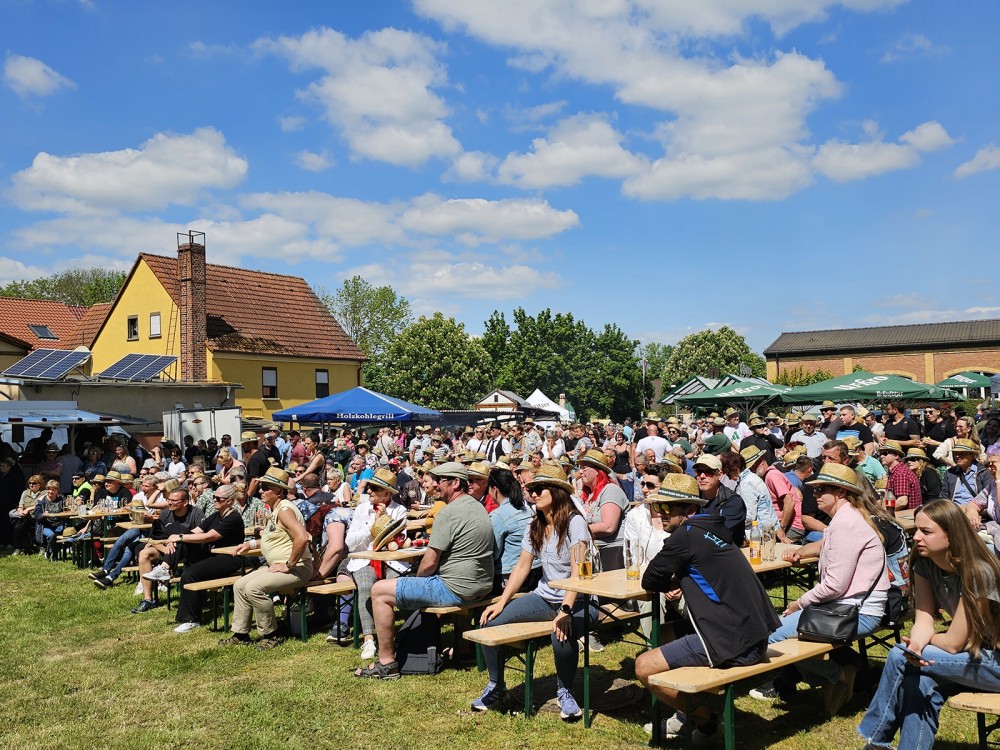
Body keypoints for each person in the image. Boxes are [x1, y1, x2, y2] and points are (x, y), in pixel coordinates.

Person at [635, 473, 781, 742]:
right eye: (658, 507)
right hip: (754, 634)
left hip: (733, 641)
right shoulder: (713, 529)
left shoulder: (685, 537)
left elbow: (650, 578)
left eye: (668, 507)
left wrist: (674, 578)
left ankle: (706, 722)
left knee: (643, 666)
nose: (661, 514)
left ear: (690, 509)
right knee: (665, 634)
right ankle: (683, 710)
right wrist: (681, 577)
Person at [858, 499, 1000, 750]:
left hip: (994, 662)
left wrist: (919, 645)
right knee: (919, 682)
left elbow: (953, 644)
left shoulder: (980, 571)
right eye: (916, 530)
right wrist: (917, 644)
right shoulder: (925, 565)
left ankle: (876, 740)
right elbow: (924, 620)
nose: (917, 537)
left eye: (926, 531)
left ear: (951, 535)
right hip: (973, 656)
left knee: (899, 656)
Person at [749, 464, 889, 715]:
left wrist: (799, 603)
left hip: (855, 613)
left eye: (823, 489)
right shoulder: (847, 519)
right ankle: (840, 673)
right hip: (849, 608)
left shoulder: (846, 524)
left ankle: (836, 674)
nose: (816, 494)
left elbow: (835, 585)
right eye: (815, 489)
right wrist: (802, 552)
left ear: (842, 493)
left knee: (771, 635)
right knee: (779, 626)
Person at [472, 465, 596, 720]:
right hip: (545, 597)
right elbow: (522, 566)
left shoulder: (575, 523)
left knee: (560, 632)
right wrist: (502, 602)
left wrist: (565, 610)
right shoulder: (536, 524)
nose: (533, 494)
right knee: (490, 622)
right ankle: (496, 687)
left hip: (581, 599)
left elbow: (578, 573)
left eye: (539, 489)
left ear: (557, 491)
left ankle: (565, 691)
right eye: (531, 489)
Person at [358, 462, 494, 680]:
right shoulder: (477, 506)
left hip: (455, 588)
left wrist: (417, 582)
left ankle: (386, 662)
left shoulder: (448, 513)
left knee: (378, 590)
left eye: (439, 481)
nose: (430, 485)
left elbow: (429, 562)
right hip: (481, 585)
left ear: (455, 483)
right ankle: (464, 648)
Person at [220, 468, 314, 649]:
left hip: (298, 568)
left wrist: (289, 564)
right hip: (278, 566)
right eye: (261, 487)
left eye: (266, 488)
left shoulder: (285, 510)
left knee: (254, 588)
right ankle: (241, 633)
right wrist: (251, 545)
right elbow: (273, 537)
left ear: (279, 490)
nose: (260, 491)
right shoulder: (277, 509)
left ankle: (272, 633)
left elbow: (302, 537)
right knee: (239, 585)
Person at [340, 468, 410, 662]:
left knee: (397, 588)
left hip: (392, 561)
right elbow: (350, 541)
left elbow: (398, 539)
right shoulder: (362, 510)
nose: (368, 491)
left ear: (386, 493)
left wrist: (384, 522)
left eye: (373, 489)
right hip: (363, 560)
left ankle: (400, 635)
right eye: (369, 487)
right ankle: (369, 637)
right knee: (365, 586)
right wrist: (371, 528)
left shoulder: (399, 510)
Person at [171, 484, 248, 633]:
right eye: (214, 497)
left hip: (231, 558)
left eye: (218, 498)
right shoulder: (216, 515)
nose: (214, 500)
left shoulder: (233, 517)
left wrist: (180, 537)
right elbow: (195, 532)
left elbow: (208, 536)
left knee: (190, 574)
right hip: (214, 555)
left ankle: (192, 620)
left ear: (230, 501)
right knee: (184, 545)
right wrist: (175, 538)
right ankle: (165, 567)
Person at [487, 466, 538, 594]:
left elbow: (493, 553)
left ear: (495, 489)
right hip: (536, 571)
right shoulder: (526, 509)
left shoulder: (498, 516)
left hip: (511, 576)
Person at [576, 449, 628, 571]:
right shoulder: (587, 494)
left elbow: (608, 526)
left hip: (612, 550)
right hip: (592, 549)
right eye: (580, 468)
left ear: (598, 472)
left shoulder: (610, 490)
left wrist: (578, 531)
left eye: (584, 468)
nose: (580, 472)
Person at [692, 453, 747, 545]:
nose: (702, 476)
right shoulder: (692, 498)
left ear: (720, 475)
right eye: (699, 471)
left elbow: (719, 535)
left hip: (725, 555)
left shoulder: (732, 501)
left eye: (708, 471)